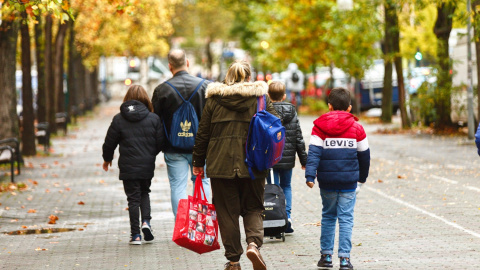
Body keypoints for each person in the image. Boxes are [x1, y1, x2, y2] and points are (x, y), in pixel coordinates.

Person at [192, 60, 279, 270]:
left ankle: (233, 261)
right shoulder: (261, 98)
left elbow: (203, 133)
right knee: (254, 208)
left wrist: (197, 161)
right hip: (254, 164)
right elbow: (275, 128)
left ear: (228, 77)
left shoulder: (213, 100)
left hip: (220, 165)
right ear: (249, 77)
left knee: (226, 212)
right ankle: (253, 244)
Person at [305, 87, 370, 270]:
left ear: (329, 106)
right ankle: (344, 259)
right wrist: (361, 179)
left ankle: (326, 257)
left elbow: (314, 154)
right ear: (349, 108)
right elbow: (364, 156)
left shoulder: (319, 128)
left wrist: (310, 175)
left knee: (328, 216)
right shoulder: (357, 128)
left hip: (327, 182)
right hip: (349, 181)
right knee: (346, 218)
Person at [102, 85, 165, 245]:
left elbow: (109, 142)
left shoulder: (119, 119)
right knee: (145, 192)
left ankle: (136, 235)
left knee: (133, 199)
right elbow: (160, 143)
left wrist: (107, 158)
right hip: (146, 165)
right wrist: (150, 155)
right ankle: (146, 222)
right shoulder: (154, 118)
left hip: (128, 166)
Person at [151, 49, 211, 217]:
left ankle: (183, 227)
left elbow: (155, 120)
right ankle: (202, 224)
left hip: (173, 147)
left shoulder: (162, 90)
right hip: (201, 147)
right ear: (187, 63)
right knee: (202, 181)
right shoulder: (205, 86)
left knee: (177, 186)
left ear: (170, 66)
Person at [266, 81, 307, 234]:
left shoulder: (265, 112)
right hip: (287, 158)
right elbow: (298, 137)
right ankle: (287, 217)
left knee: (272, 188)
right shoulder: (292, 111)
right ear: (284, 96)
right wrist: (304, 160)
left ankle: (273, 217)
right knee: (286, 186)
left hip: (270, 158)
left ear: (268, 95)